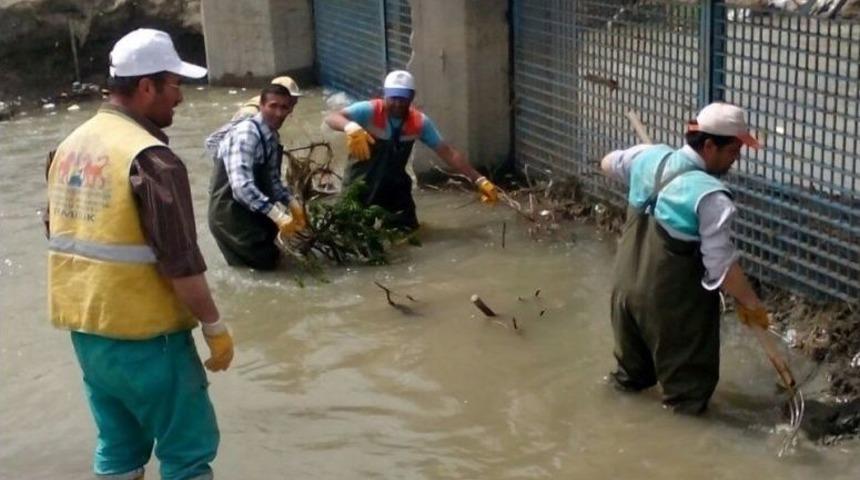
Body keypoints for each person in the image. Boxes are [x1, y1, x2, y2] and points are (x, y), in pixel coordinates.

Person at [45, 29, 233, 480]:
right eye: (175, 86)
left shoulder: (68, 146)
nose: (181, 99)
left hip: (89, 336)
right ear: (147, 86)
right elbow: (181, 260)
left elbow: (58, 231)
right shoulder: (151, 160)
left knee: (119, 449)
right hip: (149, 337)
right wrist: (214, 326)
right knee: (188, 453)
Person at [599, 102, 789, 414]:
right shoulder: (710, 196)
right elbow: (722, 267)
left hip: (624, 294)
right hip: (669, 308)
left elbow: (608, 163)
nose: (736, 158)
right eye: (734, 150)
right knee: (686, 402)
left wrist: (648, 167)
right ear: (710, 145)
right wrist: (752, 305)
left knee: (629, 382)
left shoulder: (648, 156)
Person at [324, 70, 499, 230]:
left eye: (403, 98)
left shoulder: (419, 122)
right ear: (385, 95)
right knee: (349, 231)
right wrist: (350, 127)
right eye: (394, 98)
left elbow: (448, 152)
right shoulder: (369, 110)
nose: (398, 104)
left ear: (412, 97)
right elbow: (332, 117)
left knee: (407, 233)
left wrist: (479, 180)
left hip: (395, 187)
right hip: (359, 185)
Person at [207, 82, 306, 270]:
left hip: (251, 214)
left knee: (275, 261)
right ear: (261, 106)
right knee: (265, 269)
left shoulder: (271, 136)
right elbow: (241, 188)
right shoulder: (246, 134)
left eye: (284, 107)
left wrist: (293, 204)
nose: (278, 113)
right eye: (273, 106)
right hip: (230, 219)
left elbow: (273, 181)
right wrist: (278, 215)